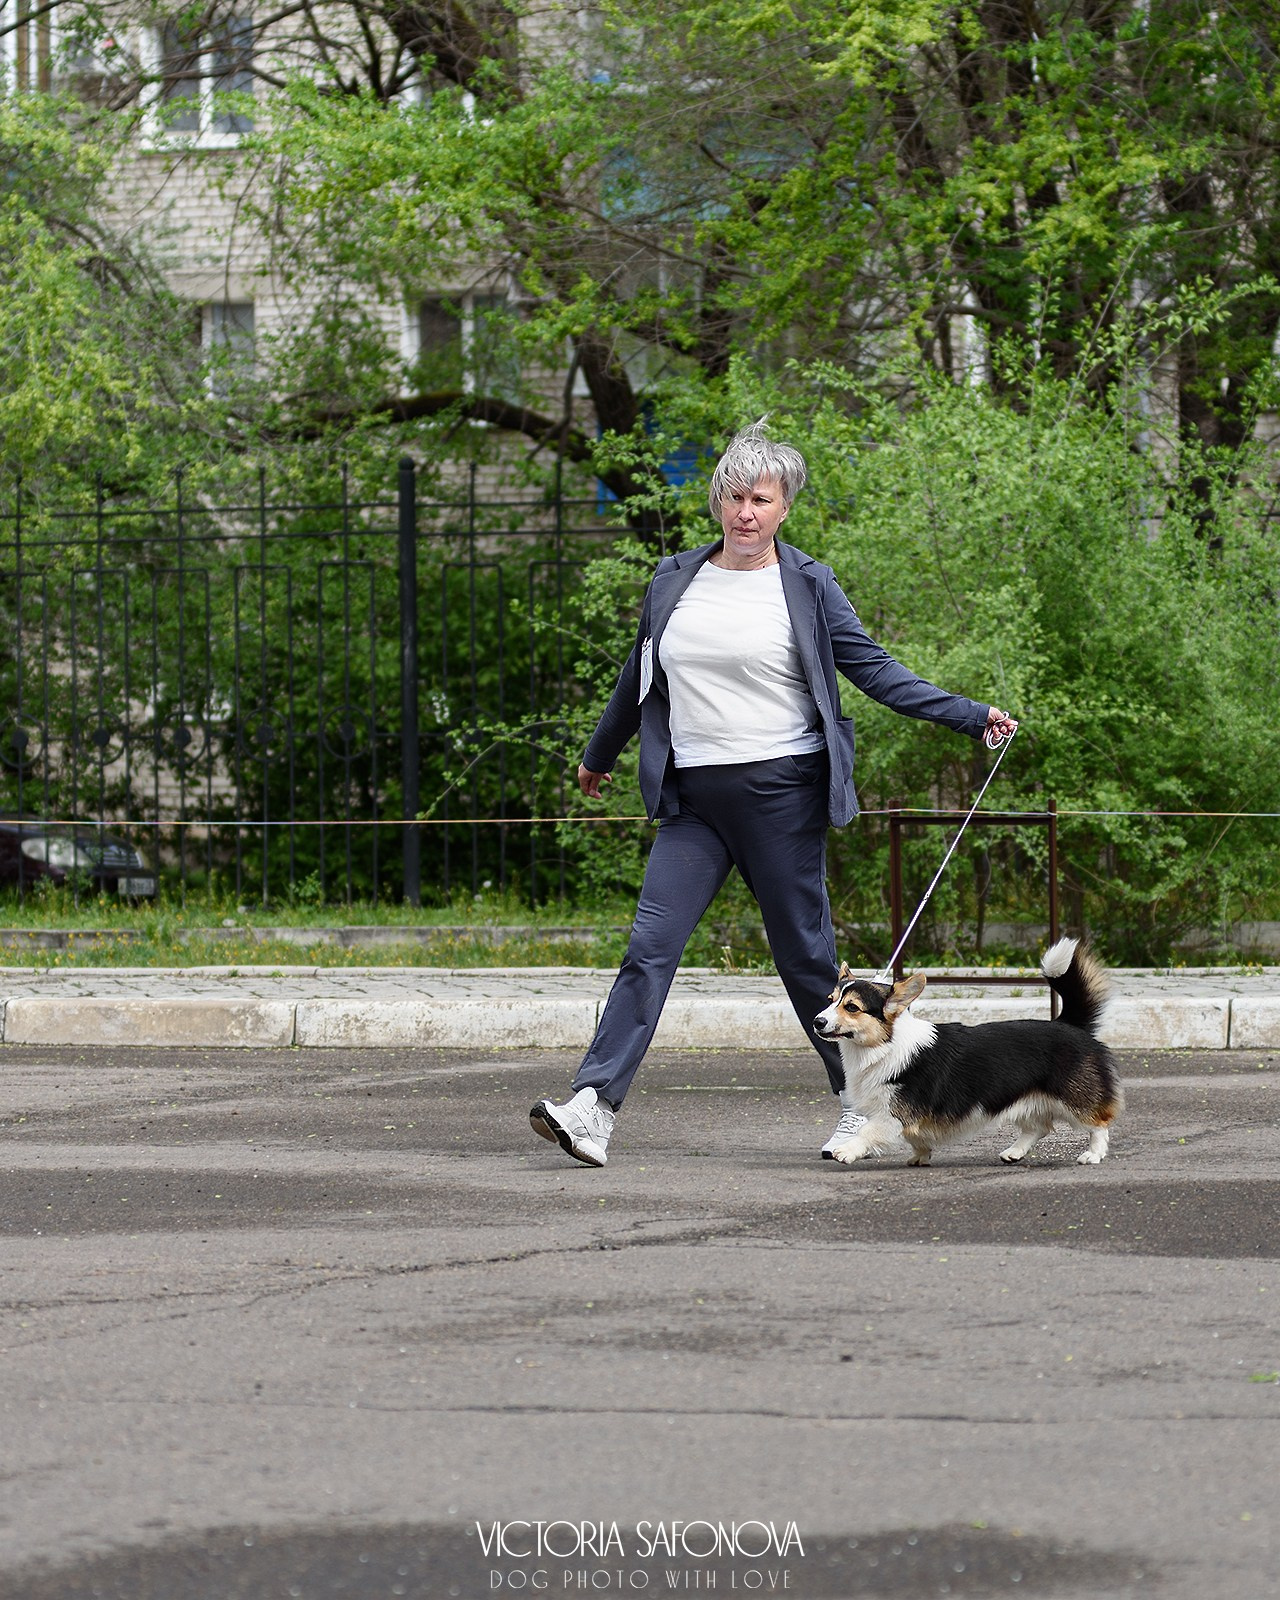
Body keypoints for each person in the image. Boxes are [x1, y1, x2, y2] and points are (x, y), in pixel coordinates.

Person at [530, 420, 1017, 1167]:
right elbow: (640, 677)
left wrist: (968, 715)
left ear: (785, 506)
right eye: (733, 495)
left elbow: (875, 670)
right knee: (648, 951)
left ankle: (859, 1111)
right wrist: (599, 755)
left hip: (781, 794)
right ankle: (592, 1107)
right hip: (693, 799)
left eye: (761, 497)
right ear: (716, 499)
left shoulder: (808, 585)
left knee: (805, 964)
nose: (745, 511)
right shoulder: (674, 579)